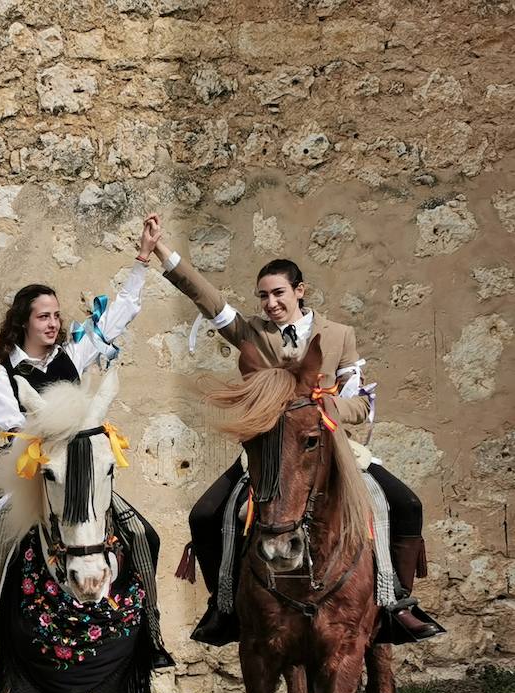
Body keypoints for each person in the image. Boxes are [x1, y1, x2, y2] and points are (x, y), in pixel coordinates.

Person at [146, 215, 442, 645]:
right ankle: (223, 604)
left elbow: (361, 404)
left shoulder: (340, 335)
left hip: (330, 447)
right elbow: (207, 298)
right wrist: (161, 250)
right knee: (205, 515)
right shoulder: (252, 332)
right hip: (268, 453)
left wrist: (317, 407)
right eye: (263, 296)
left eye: (278, 293)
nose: (270, 303)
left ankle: (395, 600)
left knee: (406, 504)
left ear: (299, 291)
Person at [0, 215, 171, 667]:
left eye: (56, 315)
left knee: (140, 531)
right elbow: (18, 430)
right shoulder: (2, 375)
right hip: (25, 472)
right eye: (43, 316)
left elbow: (120, 314)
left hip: (82, 470)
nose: (53, 323)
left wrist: (143, 258)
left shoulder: (73, 354)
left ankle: (151, 628)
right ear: (24, 322)